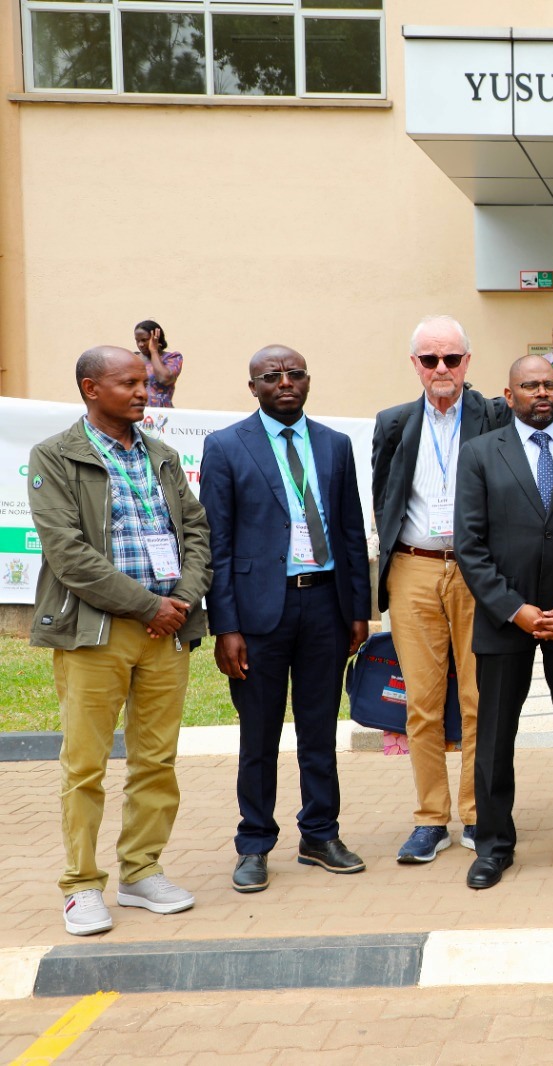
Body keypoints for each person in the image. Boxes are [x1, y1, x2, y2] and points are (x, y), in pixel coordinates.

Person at [28, 346, 211, 935]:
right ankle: (81, 886)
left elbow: (196, 530)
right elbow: (68, 554)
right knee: (84, 765)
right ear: (90, 388)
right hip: (95, 633)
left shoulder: (161, 455)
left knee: (156, 760)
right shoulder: (56, 457)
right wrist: (149, 606)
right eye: (129, 382)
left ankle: (140, 870)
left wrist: (180, 599)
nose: (143, 391)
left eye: (145, 382)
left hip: (165, 633)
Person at [200, 345, 371, 893]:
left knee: (320, 729)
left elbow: (349, 530)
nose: (285, 382)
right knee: (260, 733)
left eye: (295, 374)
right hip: (258, 614)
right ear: (252, 387)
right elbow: (217, 543)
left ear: (308, 380)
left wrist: (357, 610)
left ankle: (320, 834)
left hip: (325, 603)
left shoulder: (335, 445)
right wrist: (225, 625)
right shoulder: (226, 447)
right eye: (271, 376)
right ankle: (254, 842)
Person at [455, 355, 553, 889]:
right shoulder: (479, 454)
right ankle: (494, 843)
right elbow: (471, 547)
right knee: (496, 736)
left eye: (550, 384)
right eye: (531, 386)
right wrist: (518, 611)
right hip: (506, 620)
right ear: (509, 394)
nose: (542, 393)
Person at [373, 314, 511, 864]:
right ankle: (431, 818)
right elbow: (384, 497)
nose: (441, 368)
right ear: (415, 365)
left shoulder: (494, 416)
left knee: (480, 699)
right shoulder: (393, 423)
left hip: (478, 569)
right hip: (414, 567)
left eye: (451, 358)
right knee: (422, 702)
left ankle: (478, 814)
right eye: (429, 359)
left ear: (467, 362)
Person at [134, 320, 183, 408]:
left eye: (144, 340)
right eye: (137, 341)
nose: (140, 344)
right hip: (136, 412)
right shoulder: (133, 358)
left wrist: (154, 351)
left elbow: (164, 378)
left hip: (161, 414)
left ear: (156, 338)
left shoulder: (172, 358)